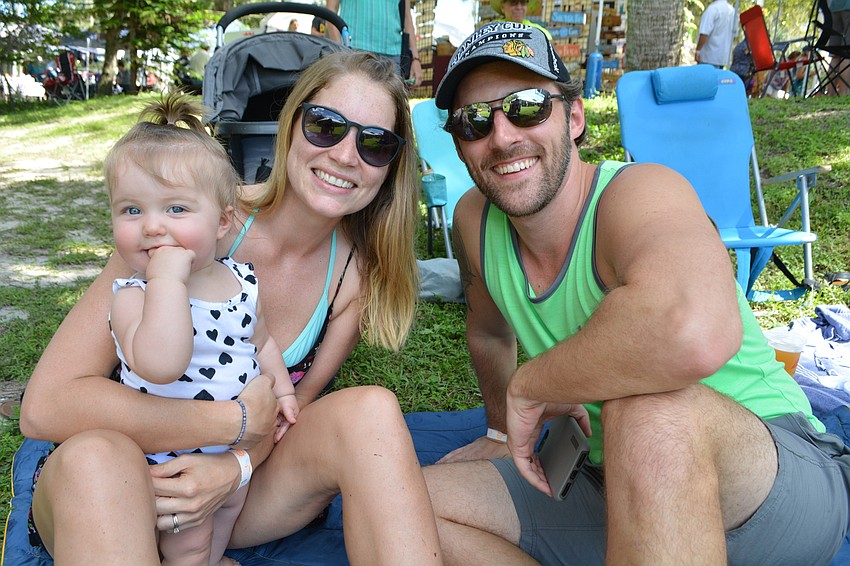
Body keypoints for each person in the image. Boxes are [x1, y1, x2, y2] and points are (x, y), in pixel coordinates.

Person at [422, 21, 850, 565]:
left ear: (574, 118)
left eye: (528, 106)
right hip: (609, 478)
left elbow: (690, 331)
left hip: (769, 477)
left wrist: (533, 384)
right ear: (459, 145)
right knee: (407, 503)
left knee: (647, 413)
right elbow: (487, 329)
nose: (502, 136)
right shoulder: (475, 223)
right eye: (474, 120)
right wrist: (502, 431)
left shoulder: (637, 194)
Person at [20, 49, 442, 565]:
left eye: (375, 143)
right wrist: (231, 423)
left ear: (391, 166)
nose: (347, 156)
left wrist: (233, 468)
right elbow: (45, 407)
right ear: (290, 125)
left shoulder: (355, 276)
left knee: (371, 411)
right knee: (96, 460)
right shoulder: (185, 220)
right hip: (123, 476)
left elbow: (293, 409)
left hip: (232, 495)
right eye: (326, 125)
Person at [105, 94, 299, 565]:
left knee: (228, 513)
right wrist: (167, 280)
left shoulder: (240, 280)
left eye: (175, 209)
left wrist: (285, 392)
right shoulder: (134, 295)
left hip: (232, 449)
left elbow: (263, 341)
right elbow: (161, 365)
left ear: (222, 222)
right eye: (132, 211)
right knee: (187, 540)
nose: (152, 227)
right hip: (168, 462)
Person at [325, 0, 423, 88]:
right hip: (353, 51)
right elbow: (331, 9)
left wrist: (415, 59)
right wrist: (340, 49)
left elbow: (407, 17)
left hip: (392, 55)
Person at [695, 0, 736, 68]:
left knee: (706, 77)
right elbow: (734, 33)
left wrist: (698, 50)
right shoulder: (732, 11)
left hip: (708, 57)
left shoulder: (712, 9)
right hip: (722, 58)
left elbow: (704, 33)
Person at [828, 0, 850, 95]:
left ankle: (830, 93)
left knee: (835, 54)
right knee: (847, 53)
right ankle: (844, 93)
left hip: (834, 8)